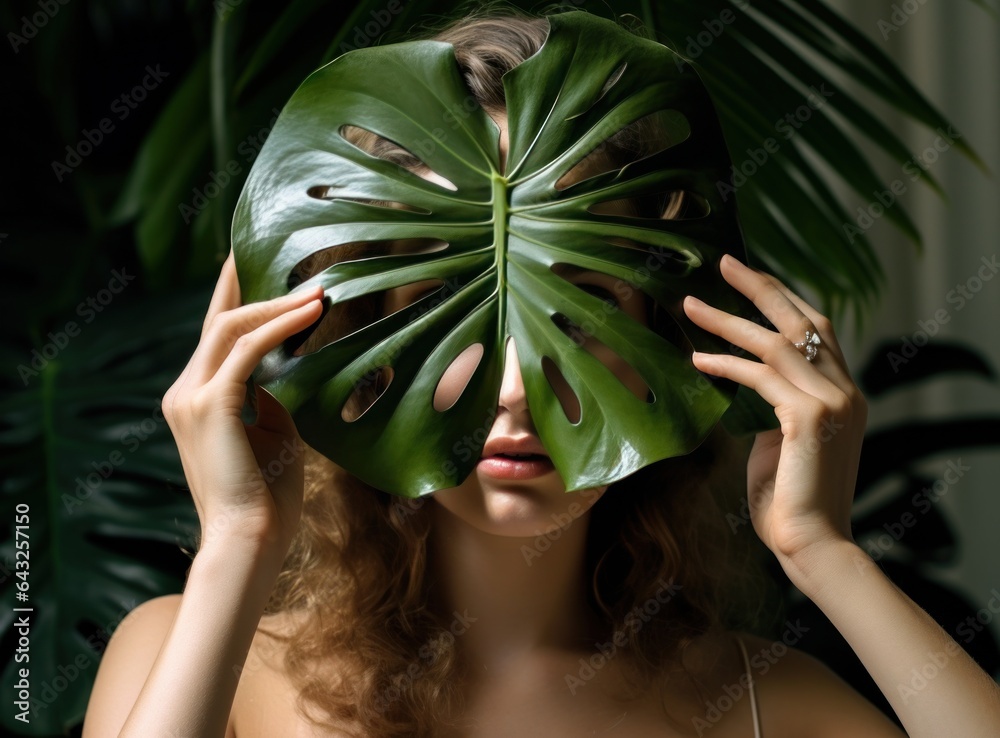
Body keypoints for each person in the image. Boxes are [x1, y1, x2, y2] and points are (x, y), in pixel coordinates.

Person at [82, 9, 1000, 738]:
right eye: (446, 301)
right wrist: (238, 545)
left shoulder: (761, 705)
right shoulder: (194, 655)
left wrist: (822, 551)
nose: (515, 388)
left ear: (669, 337)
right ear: (364, 341)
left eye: (583, 308)